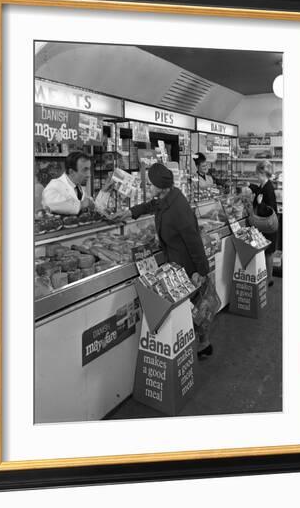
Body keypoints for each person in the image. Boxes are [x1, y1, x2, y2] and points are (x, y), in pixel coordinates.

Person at [114, 163, 212, 358]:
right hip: (175, 261)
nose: (148, 188)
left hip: (186, 264)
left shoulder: (179, 209)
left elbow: (194, 242)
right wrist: (130, 212)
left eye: (150, 185)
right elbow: (151, 205)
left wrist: (201, 271)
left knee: (194, 307)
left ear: (161, 186)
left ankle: (203, 344)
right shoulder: (168, 196)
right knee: (190, 307)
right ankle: (197, 343)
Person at [248, 160, 278, 287]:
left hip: (267, 225)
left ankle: (269, 278)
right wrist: (250, 185)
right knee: (266, 251)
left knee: (268, 252)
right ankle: (266, 277)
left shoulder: (269, 189)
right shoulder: (264, 185)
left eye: (258, 175)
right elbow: (259, 189)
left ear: (263, 174)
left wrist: (260, 204)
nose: (257, 177)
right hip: (264, 225)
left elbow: (271, 209)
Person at [41, 151, 95, 215]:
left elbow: (89, 202)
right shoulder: (54, 185)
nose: (89, 175)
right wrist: (82, 204)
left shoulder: (78, 187)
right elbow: (50, 203)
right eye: (85, 170)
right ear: (71, 172)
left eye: (89, 169)